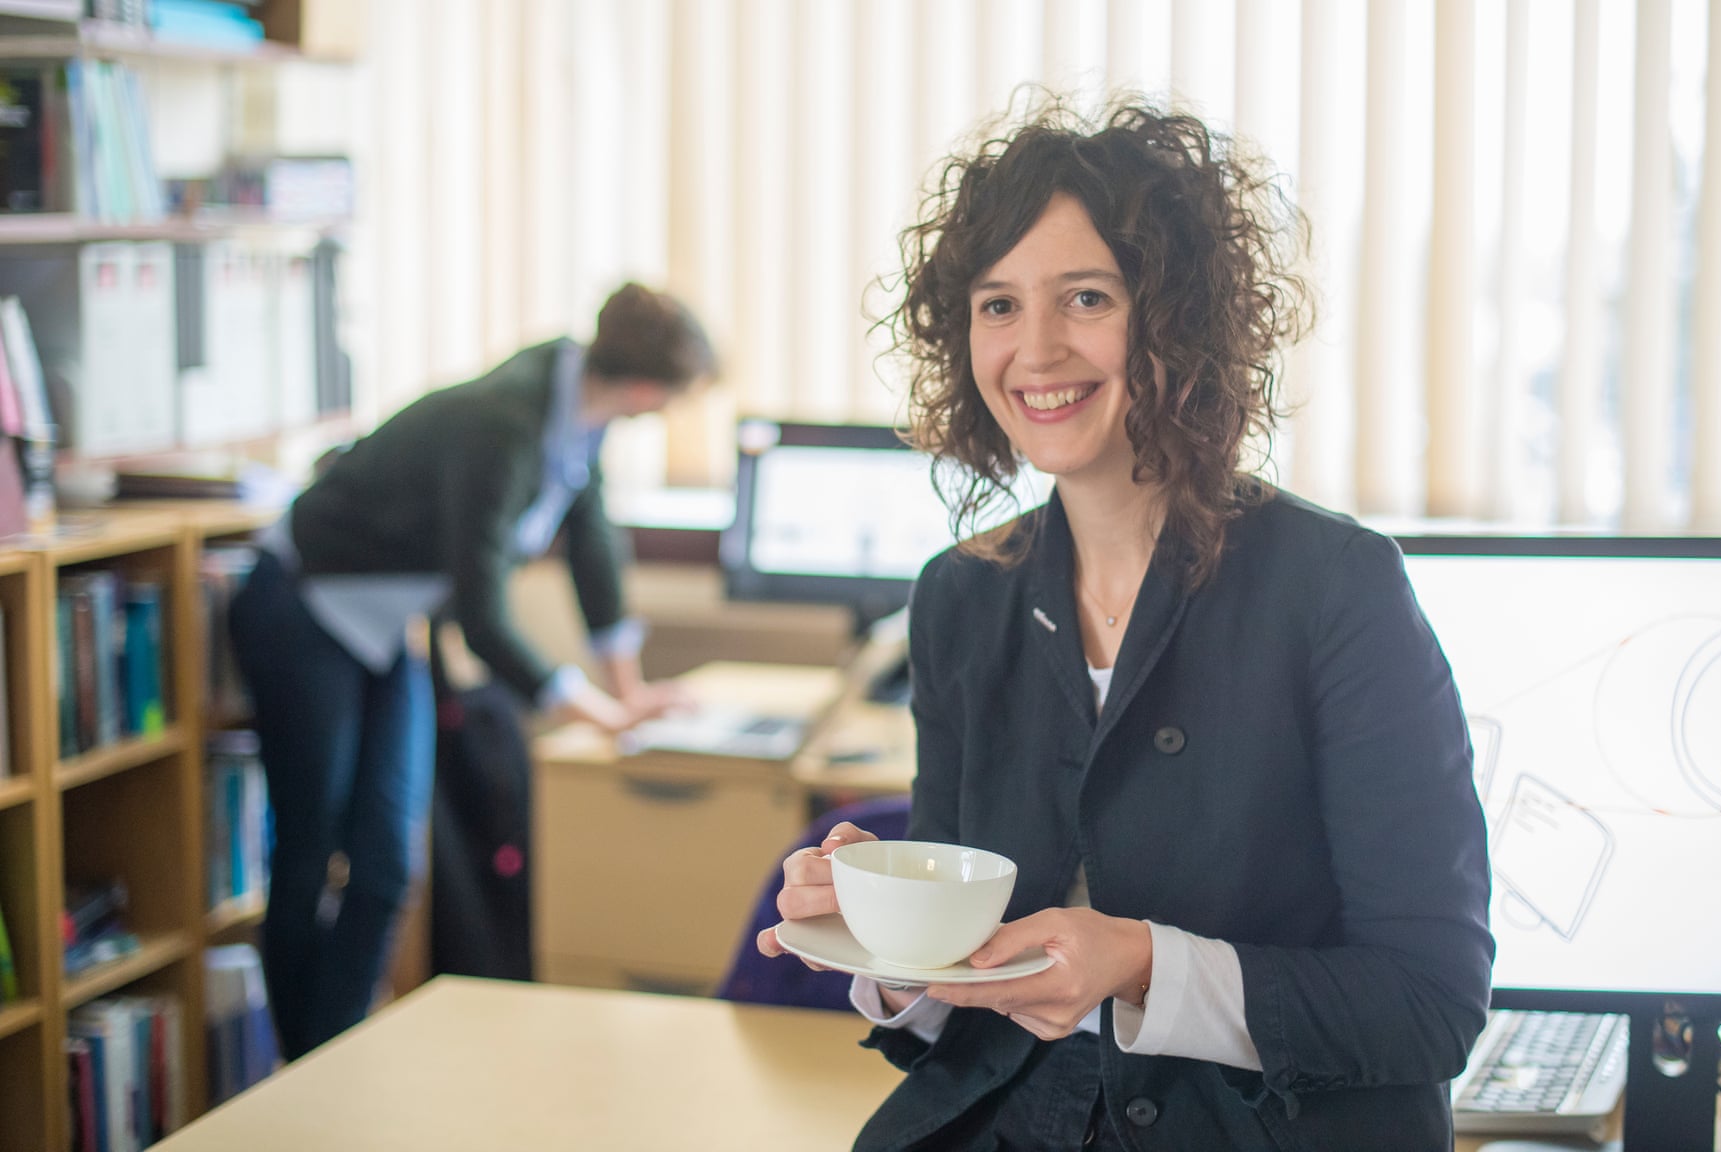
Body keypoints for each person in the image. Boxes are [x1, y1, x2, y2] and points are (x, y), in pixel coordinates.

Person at [757, 100, 1494, 1150]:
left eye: (1086, 297)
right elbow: (957, 998)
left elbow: (1429, 1004)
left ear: (1179, 320)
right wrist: (875, 936)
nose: (1036, 348)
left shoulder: (1338, 589)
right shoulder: (961, 597)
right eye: (998, 305)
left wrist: (1144, 963)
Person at [229, 282, 713, 1058]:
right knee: (309, 851)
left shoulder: (577, 409)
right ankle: (302, 1060)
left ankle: (334, 1049)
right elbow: (483, 613)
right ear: (648, 389)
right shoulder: (507, 423)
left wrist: (631, 690)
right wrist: (593, 712)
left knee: (389, 860)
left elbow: (592, 544)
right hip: (305, 606)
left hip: (384, 627)